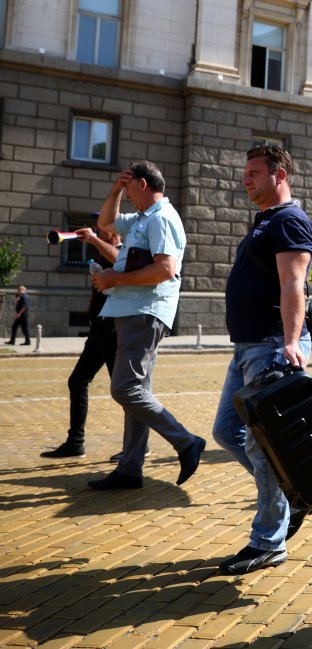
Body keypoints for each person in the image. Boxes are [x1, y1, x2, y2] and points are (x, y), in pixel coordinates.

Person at [210, 145, 312, 575]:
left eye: (254, 172)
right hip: (248, 347)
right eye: (245, 172)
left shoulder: (289, 220)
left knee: (263, 444)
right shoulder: (265, 222)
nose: (245, 179)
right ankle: (290, 496)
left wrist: (291, 341)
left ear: (280, 174)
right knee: (226, 432)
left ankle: (269, 541)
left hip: (272, 346)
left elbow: (294, 283)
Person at [88, 161, 205, 490]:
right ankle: (129, 469)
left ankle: (186, 442)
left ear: (141, 184)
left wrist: (114, 277)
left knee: (125, 389)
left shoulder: (162, 217)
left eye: (127, 189)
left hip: (145, 312)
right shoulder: (142, 218)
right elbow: (106, 222)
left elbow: (165, 269)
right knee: (136, 392)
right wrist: (114, 191)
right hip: (133, 310)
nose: (125, 194)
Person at [41, 219, 121, 458]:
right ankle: (75, 442)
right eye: (96, 225)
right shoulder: (101, 251)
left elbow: (119, 260)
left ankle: (138, 445)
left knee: (125, 390)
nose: (97, 229)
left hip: (113, 330)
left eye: (102, 226)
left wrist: (94, 239)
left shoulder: (124, 250)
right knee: (77, 381)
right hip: (98, 329)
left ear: (114, 230)